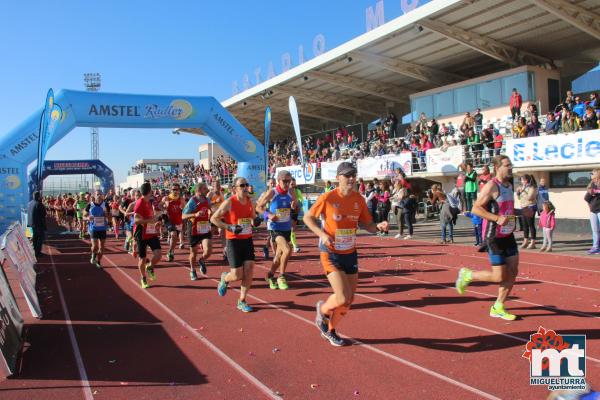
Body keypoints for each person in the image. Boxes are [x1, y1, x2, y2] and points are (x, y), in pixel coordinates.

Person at [304, 162, 388, 346]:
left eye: (353, 175)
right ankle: (323, 311)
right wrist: (322, 235)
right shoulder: (327, 197)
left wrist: (379, 227)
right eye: (347, 175)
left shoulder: (359, 199)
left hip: (350, 253)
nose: (351, 178)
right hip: (331, 253)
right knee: (341, 296)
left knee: (349, 299)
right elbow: (307, 218)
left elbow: (368, 225)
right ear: (338, 178)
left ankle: (331, 330)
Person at [455, 155, 531, 320]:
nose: (510, 168)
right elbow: (475, 209)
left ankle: (498, 306)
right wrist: (497, 219)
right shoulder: (491, 186)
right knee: (499, 276)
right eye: (507, 165)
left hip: (508, 234)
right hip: (493, 236)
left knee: (512, 272)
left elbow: (506, 211)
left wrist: (521, 212)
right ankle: (467, 275)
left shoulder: (509, 185)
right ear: (497, 167)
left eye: (511, 165)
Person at [211, 176, 259, 313]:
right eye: (242, 186)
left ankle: (242, 300)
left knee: (249, 270)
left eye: (246, 185)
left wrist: (256, 221)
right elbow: (213, 219)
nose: (245, 188)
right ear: (234, 189)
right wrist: (229, 227)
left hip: (247, 240)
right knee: (237, 275)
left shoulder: (250, 201)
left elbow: (252, 217)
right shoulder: (229, 202)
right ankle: (224, 278)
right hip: (233, 241)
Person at [256, 170, 297, 290]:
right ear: (278, 181)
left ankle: (269, 276)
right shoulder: (272, 192)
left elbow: (294, 206)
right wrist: (268, 215)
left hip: (286, 227)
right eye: (284, 181)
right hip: (275, 228)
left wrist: (294, 207)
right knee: (287, 250)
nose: (287, 183)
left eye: (289, 181)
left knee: (278, 256)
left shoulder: (291, 191)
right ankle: (282, 276)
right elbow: (258, 207)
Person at [134, 182, 162, 289]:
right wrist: (150, 220)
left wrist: (155, 222)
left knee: (158, 254)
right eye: (151, 190)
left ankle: (150, 267)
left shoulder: (149, 202)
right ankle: (143, 278)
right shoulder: (140, 203)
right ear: (149, 191)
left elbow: (149, 217)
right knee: (142, 258)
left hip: (151, 232)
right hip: (141, 233)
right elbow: (136, 220)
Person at [182, 183, 213, 280]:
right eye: (205, 189)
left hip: (205, 228)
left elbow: (210, 209)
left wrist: (210, 212)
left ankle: (202, 260)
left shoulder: (207, 200)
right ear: (199, 190)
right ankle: (192, 270)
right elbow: (183, 216)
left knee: (208, 251)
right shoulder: (192, 201)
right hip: (194, 229)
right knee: (193, 253)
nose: (207, 190)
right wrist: (195, 214)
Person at [84, 191, 108, 269]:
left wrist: (107, 215)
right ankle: (93, 255)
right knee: (95, 247)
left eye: (100, 194)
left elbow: (109, 216)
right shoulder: (90, 205)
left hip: (102, 228)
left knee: (102, 248)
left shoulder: (105, 204)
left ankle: (98, 261)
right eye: (97, 194)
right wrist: (88, 218)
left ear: (102, 195)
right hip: (93, 228)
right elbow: (83, 216)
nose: (99, 196)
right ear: (94, 195)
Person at [163, 184, 185, 262]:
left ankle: (171, 251)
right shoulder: (166, 198)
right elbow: (159, 206)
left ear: (179, 190)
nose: (175, 191)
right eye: (173, 189)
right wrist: (165, 207)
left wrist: (183, 208)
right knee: (173, 234)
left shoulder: (181, 199)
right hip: (169, 220)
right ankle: (171, 251)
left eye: (176, 189)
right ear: (170, 190)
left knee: (175, 238)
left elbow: (185, 209)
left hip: (178, 220)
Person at [517, 174, 538, 249]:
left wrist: (523, 191)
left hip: (530, 207)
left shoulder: (532, 187)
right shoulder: (522, 187)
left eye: (522, 180)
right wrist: (518, 193)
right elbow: (519, 198)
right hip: (523, 207)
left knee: (530, 224)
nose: (521, 181)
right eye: (521, 180)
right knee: (524, 225)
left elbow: (530, 198)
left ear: (526, 180)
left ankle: (533, 242)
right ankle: (525, 241)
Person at [585, 169, 600, 254]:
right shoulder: (591, 184)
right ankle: (595, 247)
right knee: (595, 230)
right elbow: (586, 198)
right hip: (593, 211)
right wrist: (590, 192)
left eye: (592, 173)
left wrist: (596, 191)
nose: (591, 175)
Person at [27, 191, 46, 258]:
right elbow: (44, 214)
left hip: (29, 225)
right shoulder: (39, 204)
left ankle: (33, 252)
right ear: (39, 196)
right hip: (37, 225)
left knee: (32, 240)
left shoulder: (29, 203)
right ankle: (37, 253)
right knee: (39, 239)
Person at [289, 177, 303, 253]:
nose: (292, 185)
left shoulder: (298, 191)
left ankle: (292, 244)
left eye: (294, 184)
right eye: (291, 184)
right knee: (290, 228)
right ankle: (294, 245)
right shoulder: (286, 191)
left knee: (293, 229)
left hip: (295, 211)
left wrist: (297, 202)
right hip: (287, 211)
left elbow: (301, 199)